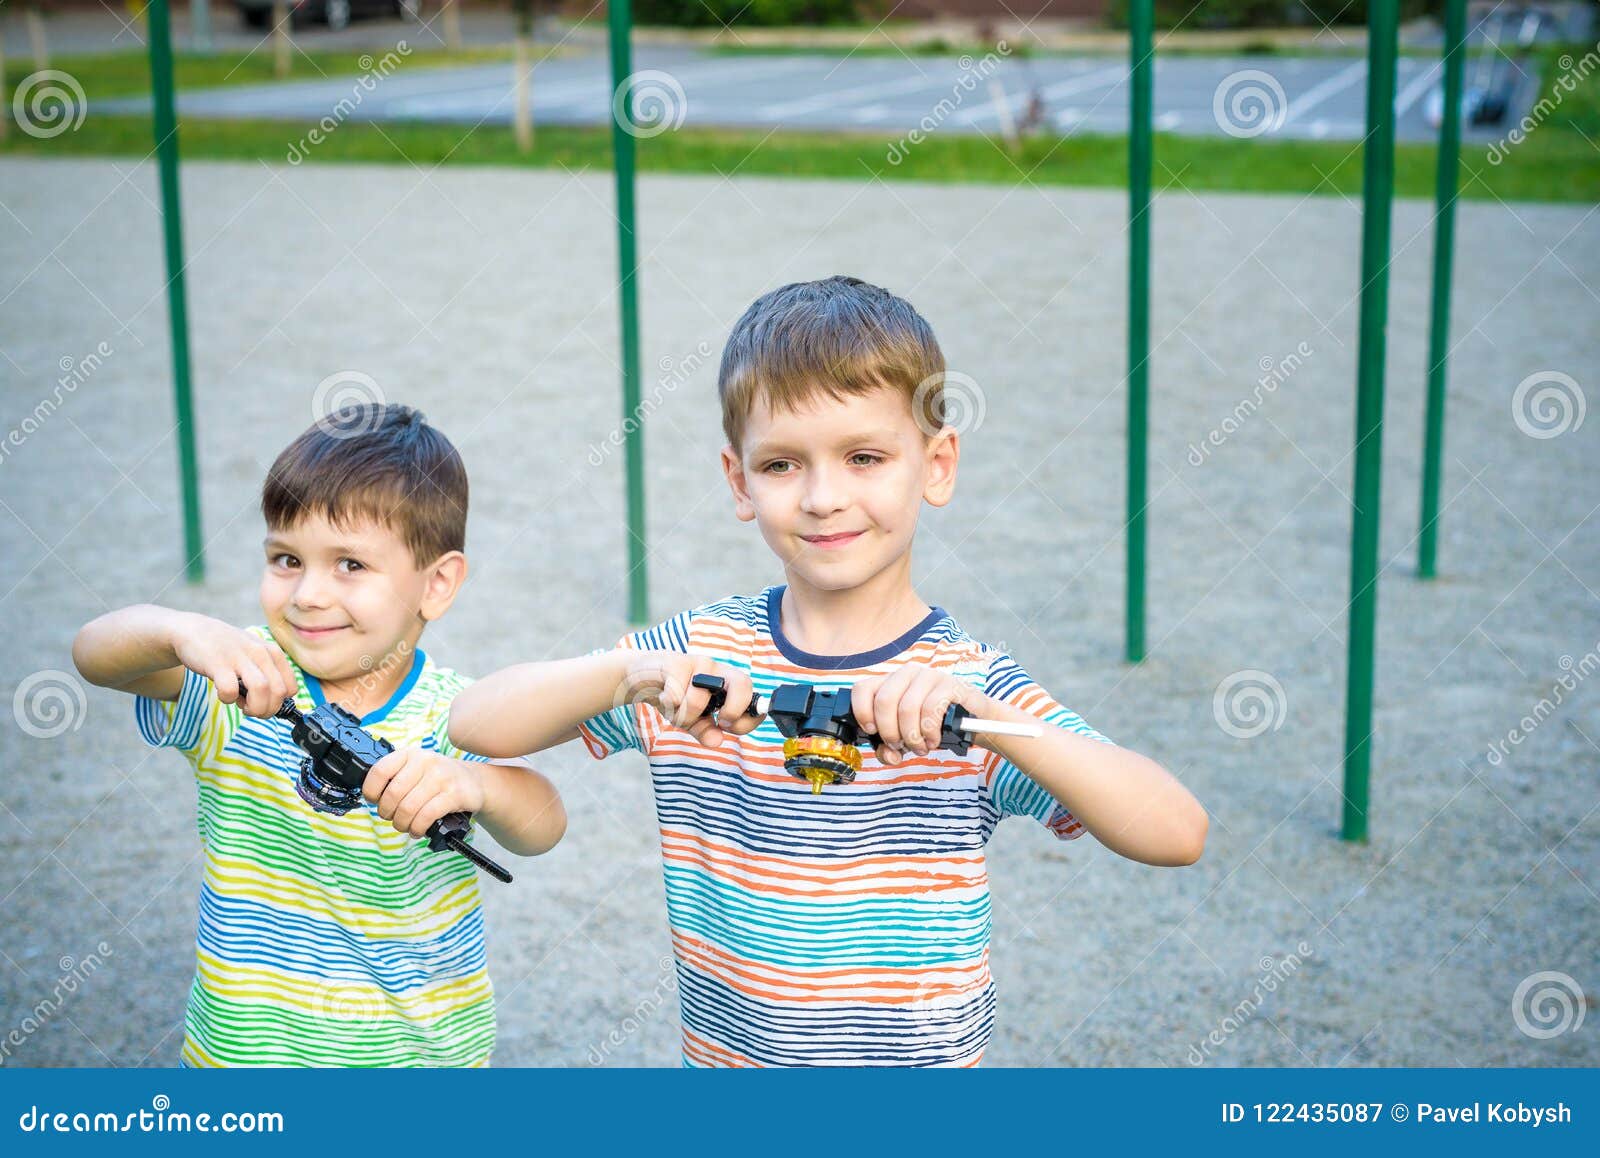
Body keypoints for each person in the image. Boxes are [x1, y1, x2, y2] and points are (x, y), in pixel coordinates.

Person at [449, 276, 1206, 1066]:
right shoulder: (697, 653)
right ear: (739, 481)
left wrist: (988, 721)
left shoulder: (966, 684)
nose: (822, 497)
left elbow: (1176, 832)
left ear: (937, 464)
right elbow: (474, 720)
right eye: (781, 465)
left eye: (865, 457)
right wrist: (628, 673)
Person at [71, 403, 565, 1066]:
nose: (306, 594)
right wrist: (178, 631)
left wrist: (477, 784)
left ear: (437, 584)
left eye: (350, 566)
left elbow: (543, 826)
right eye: (285, 558)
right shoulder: (238, 683)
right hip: (245, 1061)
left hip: (417, 1065)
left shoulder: (459, 714)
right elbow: (94, 654)